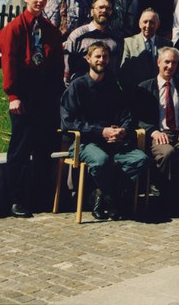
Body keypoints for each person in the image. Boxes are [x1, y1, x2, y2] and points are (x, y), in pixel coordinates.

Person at [0, 0, 64, 218]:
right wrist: (13, 95)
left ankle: (39, 197)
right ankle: (16, 199)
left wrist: (56, 96)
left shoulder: (50, 30)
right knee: (21, 149)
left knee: (44, 148)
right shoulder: (15, 28)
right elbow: (9, 63)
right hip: (23, 93)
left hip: (45, 94)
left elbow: (57, 65)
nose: (40, 1)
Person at [60, 42, 149, 220]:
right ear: (88, 58)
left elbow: (126, 115)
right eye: (98, 56)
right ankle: (113, 201)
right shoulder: (77, 86)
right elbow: (70, 122)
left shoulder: (113, 86)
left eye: (105, 57)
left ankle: (102, 193)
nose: (101, 60)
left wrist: (122, 130)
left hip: (113, 143)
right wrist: (101, 131)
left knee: (140, 159)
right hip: (85, 143)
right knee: (102, 161)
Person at [135, 46, 179, 215]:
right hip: (158, 135)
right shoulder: (145, 87)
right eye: (166, 62)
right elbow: (138, 117)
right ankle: (166, 198)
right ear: (159, 62)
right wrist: (153, 131)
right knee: (167, 153)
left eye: (174, 63)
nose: (170, 66)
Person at [64, 0, 124, 83]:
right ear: (92, 11)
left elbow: (118, 66)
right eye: (100, 7)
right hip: (82, 86)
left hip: (108, 86)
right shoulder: (78, 36)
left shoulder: (117, 37)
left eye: (108, 8)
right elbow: (67, 66)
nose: (104, 10)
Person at [119, 8, 172, 94]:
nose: (148, 26)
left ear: (158, 25)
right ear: (139, 24)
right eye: (145, 22)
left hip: (160, 91)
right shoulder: (128, 42)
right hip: (137, 90)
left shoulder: (167, 44)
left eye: (152, 22)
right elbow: (124, 71)